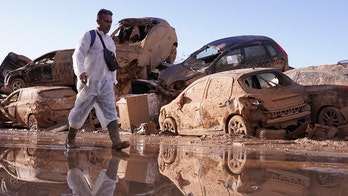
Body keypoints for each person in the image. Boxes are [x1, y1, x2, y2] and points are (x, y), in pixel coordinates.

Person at [66, 8, 130, 151]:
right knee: (80, 110)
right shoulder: (89, 36)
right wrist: (80, 72)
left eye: (110, 22)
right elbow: (78, 55)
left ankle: (116, 142)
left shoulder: (110, 42)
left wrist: (113, 81)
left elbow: (112, 62)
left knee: (111, 112)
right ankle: (70, 139)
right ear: (98, 21)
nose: (108, 24)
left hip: (106, 83)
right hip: (89, 82)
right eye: (106, 21)